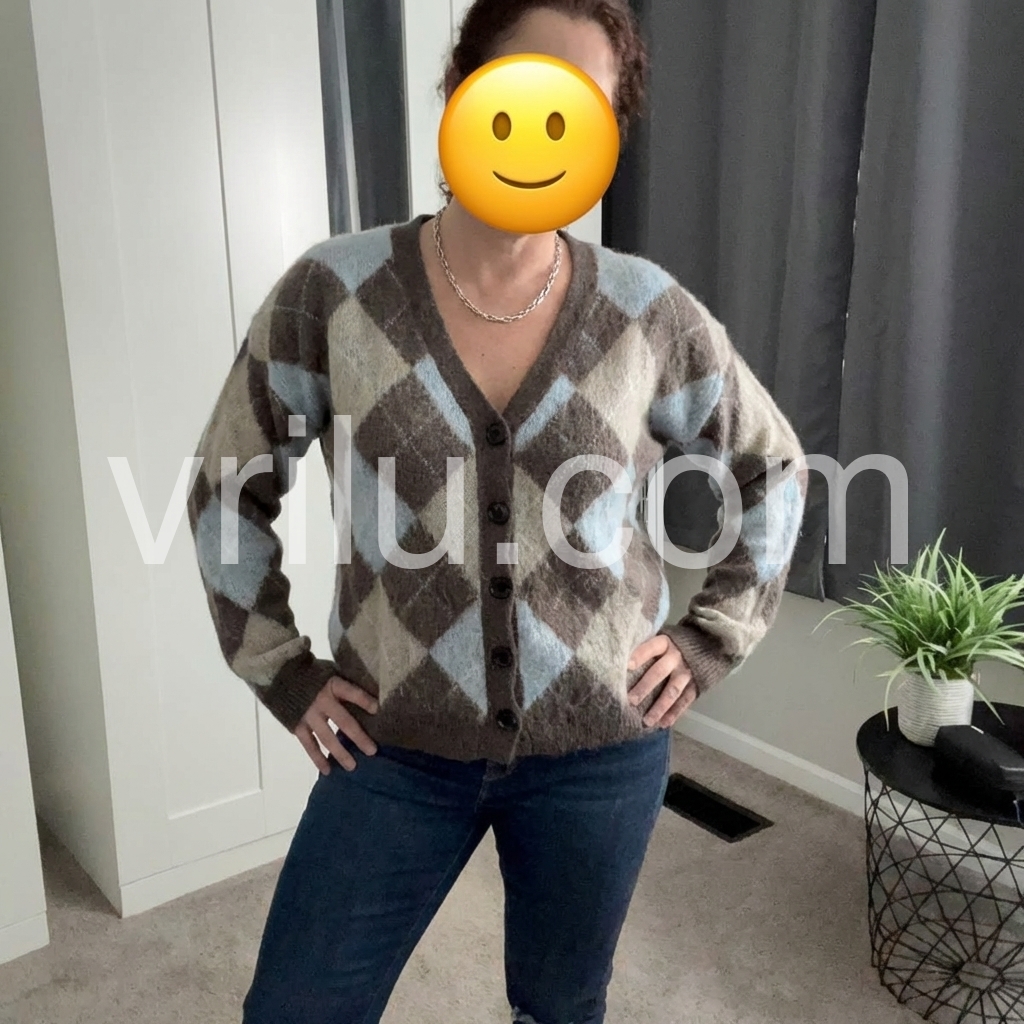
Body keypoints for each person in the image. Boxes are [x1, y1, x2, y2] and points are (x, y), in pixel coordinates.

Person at [187, 1, 807, 1021]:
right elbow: (226, 485)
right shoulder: (334, 293)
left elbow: (771, 467)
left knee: (561, 1007)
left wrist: (711, 638)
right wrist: (282, 669)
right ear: (461, 89)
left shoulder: (646, 309)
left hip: (601, 753)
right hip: (391, 746)